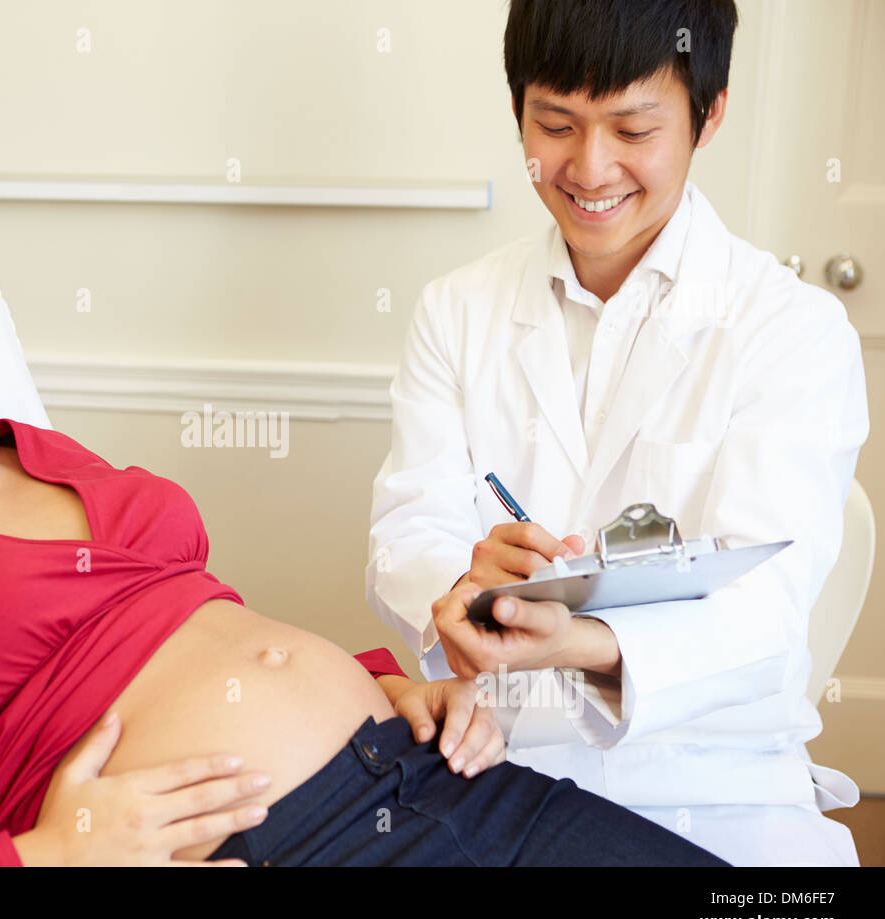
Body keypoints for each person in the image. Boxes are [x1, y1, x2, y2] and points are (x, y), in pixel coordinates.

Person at [0, 181, 726, 866]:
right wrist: (43, 856)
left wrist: (389, 680)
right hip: (283, 843)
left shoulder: (29, 453)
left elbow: (187, 626)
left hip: (435, 767)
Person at [366, 0, 866, 866]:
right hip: (494, 755)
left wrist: (579, 643)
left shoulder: (792, 329)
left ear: (708, 114)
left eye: (632, 127)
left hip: (715, 784)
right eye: (555, 124)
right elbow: (409, 532)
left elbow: (766, 614)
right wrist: (465, 589)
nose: (590, 167)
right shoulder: (457, 311)